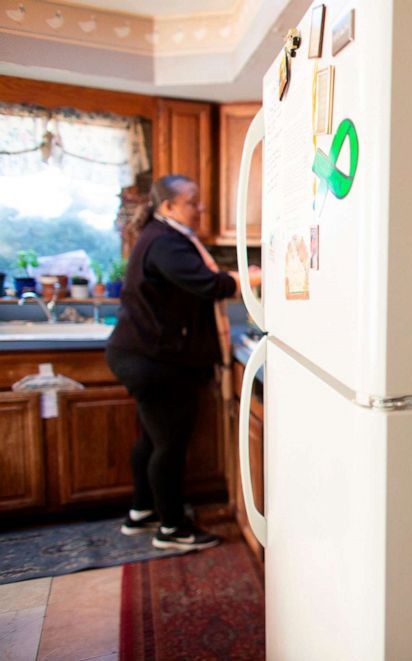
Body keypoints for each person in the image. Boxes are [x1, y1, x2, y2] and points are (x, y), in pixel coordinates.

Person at [106, 174, 260, 551]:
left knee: (153, 438)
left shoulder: (161, 237)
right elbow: (207, 284)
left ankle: (143, 511)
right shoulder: (165, 241)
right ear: (169, 206)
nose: (201, 207)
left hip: (144, 356)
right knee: (169, 445)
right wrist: (250, 277)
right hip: (155, 361)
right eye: (193, 201)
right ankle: (172, 529)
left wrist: (239, 277)